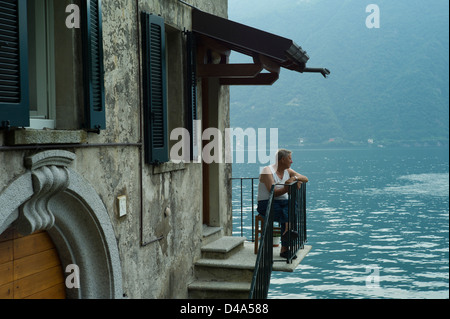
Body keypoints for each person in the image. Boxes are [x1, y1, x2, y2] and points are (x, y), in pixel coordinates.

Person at [257, 149, 308, 258]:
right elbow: (273, 193)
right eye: (290, 158)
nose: (292, 161)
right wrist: (288, 187)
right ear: (282, 159)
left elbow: (305, 179)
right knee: (289, 211)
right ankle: (285, 245)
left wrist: (294, 179)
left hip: (284, 204)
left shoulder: (288, 171)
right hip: (267, 204)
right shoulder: (267, 170)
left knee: (290, 206)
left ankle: (286, 233)